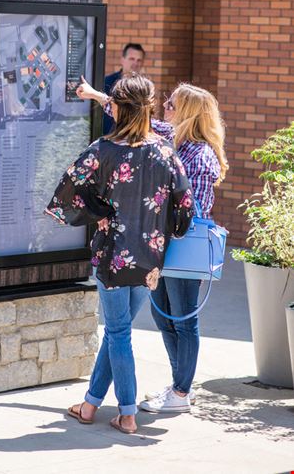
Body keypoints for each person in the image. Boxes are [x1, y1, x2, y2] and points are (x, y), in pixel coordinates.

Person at [45, 75, 194, 435]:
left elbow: (66, 195)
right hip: (150, 261)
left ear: (119, 109)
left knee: (118, 333)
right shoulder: (165, 152)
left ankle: (127, 415)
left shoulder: (103, 150)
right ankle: (90, 404)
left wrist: (101, 214)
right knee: (118, 333)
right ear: (150, 107)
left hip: (112, 256)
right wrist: (164, 231)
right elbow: (185, 207)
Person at [76, 78, 228, 413]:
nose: (165, 108)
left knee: (184, 320)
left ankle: (181, 393)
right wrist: (95, 95)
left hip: (182, 245)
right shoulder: (171, 139)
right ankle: (176, 387)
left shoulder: (198, 155)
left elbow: (192, 210)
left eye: (172, 104)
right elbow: (136, 116)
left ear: (187, 113)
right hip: (159, 247)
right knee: (163, 318)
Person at [103, 43, 145, 134]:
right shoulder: (106, 82)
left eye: (139, 60)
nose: (135, 63)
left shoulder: (144, 88)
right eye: (131, 59)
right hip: (106, 138)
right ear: (122, 60)